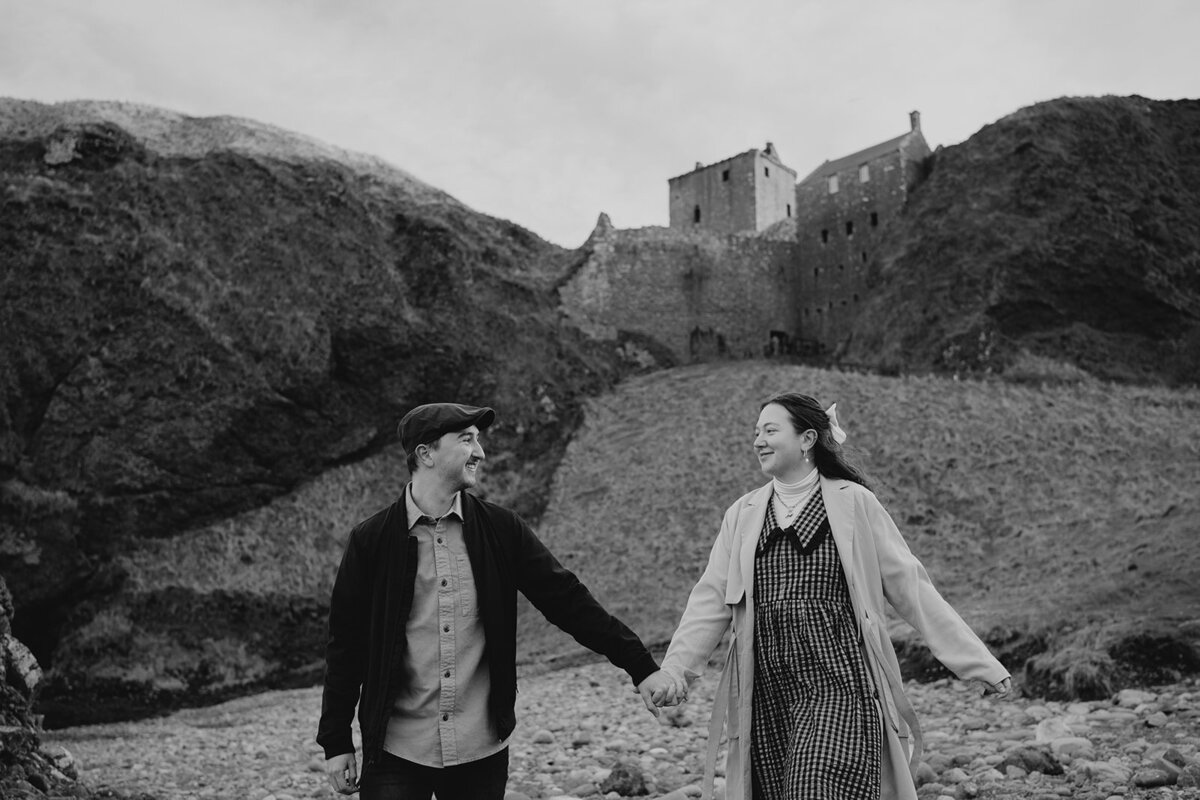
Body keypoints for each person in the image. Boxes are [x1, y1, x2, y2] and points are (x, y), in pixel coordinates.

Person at [643, 393, 1011, 800]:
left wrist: (980, 663)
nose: (758, 441)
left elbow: (913, 588)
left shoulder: (854, 503)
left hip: (840, 683)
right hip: (767, 694)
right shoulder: (742, 514)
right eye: (755, 432)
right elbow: (710, 600)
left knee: (814, 786)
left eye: (770, 430)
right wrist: (677, 670)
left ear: (807, 439)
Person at [317, 402, 676, 799]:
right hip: (396, 750)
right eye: (467, 440)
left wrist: (640, 666)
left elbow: (568, 601)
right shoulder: (370, 541)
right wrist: (336, 742)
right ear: (426, 453)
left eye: (478, 440)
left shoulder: (502, 530)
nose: (480, 452)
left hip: (480, 747)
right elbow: (345, 646)